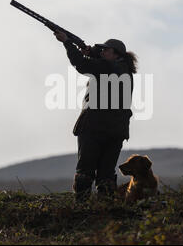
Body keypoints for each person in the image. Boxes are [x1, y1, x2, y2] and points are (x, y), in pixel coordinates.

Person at [54, 30, 138, 202]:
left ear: (115, 54)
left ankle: (82, 208)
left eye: (106, 50)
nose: (102, 52)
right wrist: (91, 53)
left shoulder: (107, 67)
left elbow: (81, 64)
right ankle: (105, 211)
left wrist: (67, 42)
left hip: (94, 127)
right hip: (116, 131)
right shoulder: (124, 70)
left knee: (85, 172)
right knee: (106, 175)